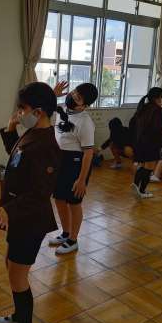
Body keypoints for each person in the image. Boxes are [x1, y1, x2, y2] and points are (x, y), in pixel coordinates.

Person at [0, 82, 60, 323]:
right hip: (21, 216)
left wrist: (9, 210)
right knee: (11, 266)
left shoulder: (46, 145)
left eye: (22, 109)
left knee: (17, 275)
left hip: (30, 218)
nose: (19, 113)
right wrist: (11, 129)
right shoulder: (32, 134)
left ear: (39, 112)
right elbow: (17, 158)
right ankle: (19, 316)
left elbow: (40, 192)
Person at [49, 82, 98, 254]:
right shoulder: (62, 109)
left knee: (74, 203)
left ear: (85, 105)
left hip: (76, 164)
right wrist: (53, 95)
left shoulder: (85, 122)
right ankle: (66, 233)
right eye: (75, 92)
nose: (73, 96)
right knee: (59, 199)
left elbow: (88, 153)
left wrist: (81, 180)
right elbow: (41, 109)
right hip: (59, 161)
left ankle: (73, 240)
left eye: (78, 98)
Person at [130, 87, 162, 198]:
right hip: (151, 142)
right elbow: (157, 128)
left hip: (140, 142)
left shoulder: (143, 107)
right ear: (157, 98)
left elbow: (132, 123)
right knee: (149, 167)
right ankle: (142, 191)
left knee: (142, 165)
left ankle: (136, 185)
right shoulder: (158, 110)